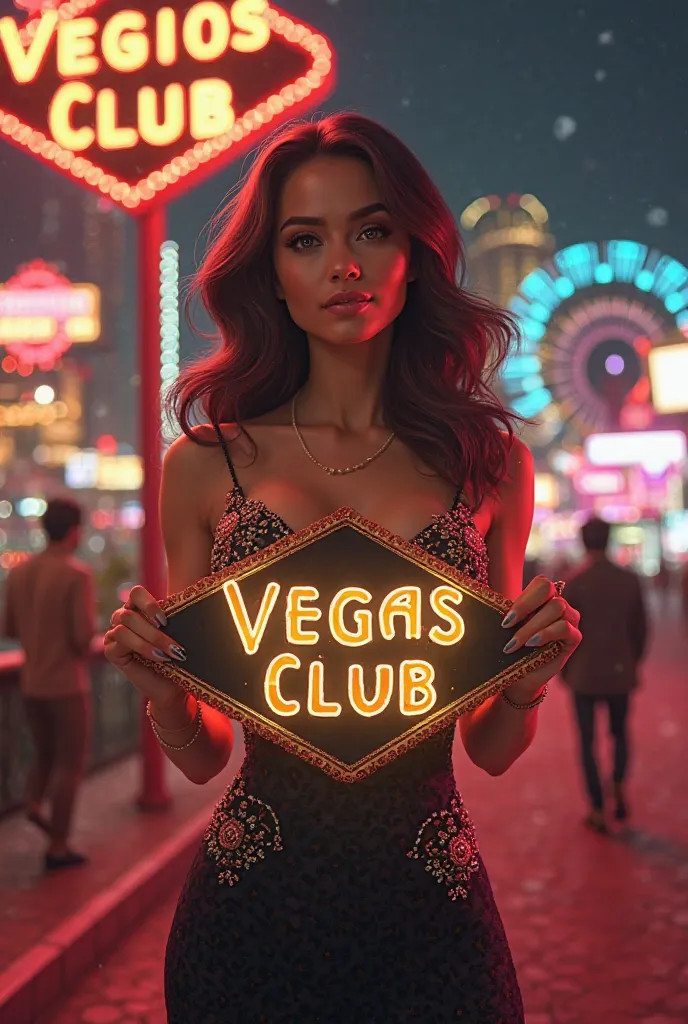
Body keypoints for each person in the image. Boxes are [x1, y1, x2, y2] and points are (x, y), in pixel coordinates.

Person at [104, 113, 581, 1023]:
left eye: (370, 229)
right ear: (272, 274)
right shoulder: (206, 461)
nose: (344, 264)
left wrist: (524, 684)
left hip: (432, 914)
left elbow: (487, 749)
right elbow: (205, 758)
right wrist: (165, 693)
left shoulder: (488, 461)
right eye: (305, 240)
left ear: (416, 251)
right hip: (249, 915)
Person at [2, 498, 95, 869]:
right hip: (67, 686)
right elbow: (81, 637)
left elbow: (9, 628)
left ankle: (32, 801)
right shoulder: (77, 575)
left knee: (43, 754)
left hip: (30, 683)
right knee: (69, 765)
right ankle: (58, 845)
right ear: (74, 531)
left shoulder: (20, 573)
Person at [561, 516, 648, 833]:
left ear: (584, 542)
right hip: (620, 671)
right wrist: (630, 660)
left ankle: (597, 807)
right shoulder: (628, 579)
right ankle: (620, 783)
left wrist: (565, 672)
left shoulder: (573, 581)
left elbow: (563, 634)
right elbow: (641, 630)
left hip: (583, 674)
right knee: (620, 732)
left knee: (587, 741)